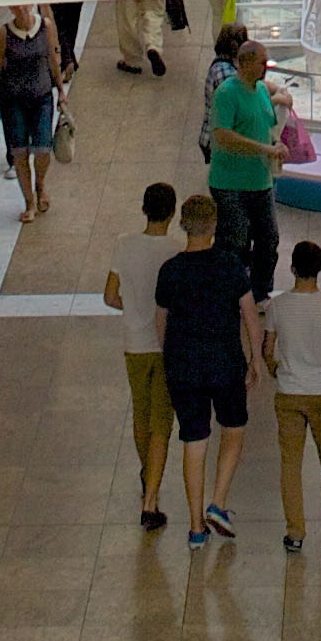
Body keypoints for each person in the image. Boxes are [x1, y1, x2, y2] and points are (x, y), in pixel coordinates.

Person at [155, 203, 257, 546]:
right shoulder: (229, 265)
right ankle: (219, 501)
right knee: (234, 428)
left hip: (183, 367)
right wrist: (256, 359)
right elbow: (250, 316)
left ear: (183, 225)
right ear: (213, 225)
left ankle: (196, 527)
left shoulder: (170, 271)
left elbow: (161, 322)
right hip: (225, 361)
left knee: (194, 441)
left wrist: (170, 358)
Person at [103, 182, 189, 528]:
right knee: (162, 423)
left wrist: (134, 308)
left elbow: (110, 296)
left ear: (144, 209)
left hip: (134, 344)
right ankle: (151, 495)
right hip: (167, 346)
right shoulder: (178, 249)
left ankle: (145, 472)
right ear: (172, 213)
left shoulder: (124, 246)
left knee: (141, 415)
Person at [265, 237, 321, 549]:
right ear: (320, 269)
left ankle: (295, 532)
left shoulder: (276, 306)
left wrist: (275, 367)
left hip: (288, 394)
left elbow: (268, 350)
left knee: (290, 462)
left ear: (291, 269)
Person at [203, 24, 285, 272]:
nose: (265, 68)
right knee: (234, 241)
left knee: (268, 238)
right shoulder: (226, 93)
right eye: (262, 63)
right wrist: (263, 148)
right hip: (230, 183)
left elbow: (267, 127)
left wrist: (276, 145)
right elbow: (222, 136)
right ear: (245, 63)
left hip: (260, 181)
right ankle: (230, 290)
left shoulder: (260, 91)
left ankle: (260, 292)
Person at [0, 2, 63, 222]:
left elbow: (52, 58)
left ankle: (40, 184)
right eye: (16, 7)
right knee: (19, 152)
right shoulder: (4, 33)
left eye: (24, 6)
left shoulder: (45, 26)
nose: (21, 10)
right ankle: (29, 201)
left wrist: (61, 90)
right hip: (14, 100)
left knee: (43, 148)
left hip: (41, 97)